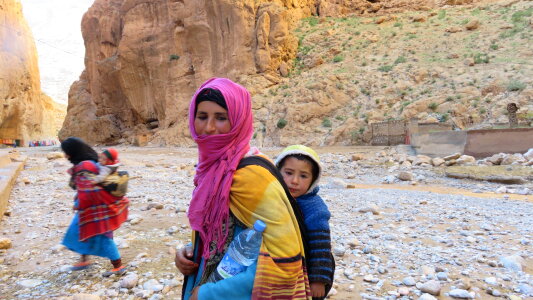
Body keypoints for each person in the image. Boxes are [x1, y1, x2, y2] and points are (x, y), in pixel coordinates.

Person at [175, 78, 311, 300]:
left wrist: (210, 294)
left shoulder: (250, 177)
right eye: (202, 117)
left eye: (221, 118)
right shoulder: (212, 170)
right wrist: (189, 252)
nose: (208, 127)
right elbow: (223, 230)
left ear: (238, 121)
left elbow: (282, 261)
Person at [60, 137, 129, 277]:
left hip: (96, 210)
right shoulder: (92, 162)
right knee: (81, 232)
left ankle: (118, 266)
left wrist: (78, 204)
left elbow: (88, 192)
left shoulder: (84, 167)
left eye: (66, 152)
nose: (65, 155)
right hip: (98, 207)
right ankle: (84, 260)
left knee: (102, 237)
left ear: (72, 152)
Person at [275, 145, 335, 299]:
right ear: (277, 172)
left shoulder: (315, 209)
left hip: (307, 266)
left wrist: (318, 280)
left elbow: (320, 245)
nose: (294, 181)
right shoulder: (274, 197)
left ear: (313, 180)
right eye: (288, 173)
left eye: (303, 176)